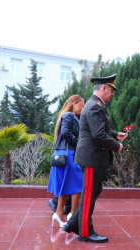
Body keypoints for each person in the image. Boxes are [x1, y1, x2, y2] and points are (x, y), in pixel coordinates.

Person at [62, 74, 128, 243]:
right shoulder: (94, 107)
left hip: (93, 156)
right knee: (89, 194)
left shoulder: (95, 105)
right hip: (92, 157)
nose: (113, 93)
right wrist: (116, 145)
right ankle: (85, 232)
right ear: (104, 88)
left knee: (93, 192)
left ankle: (72, 223)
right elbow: (98, 135)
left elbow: (98, 129)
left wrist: (115, 134)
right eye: (111, 89)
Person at [47, 94, 85, 227]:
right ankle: (72, 215)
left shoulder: (70, 116)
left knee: (66, 184)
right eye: (81, 105)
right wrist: (79, 143)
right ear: (74, 104)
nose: (82, 108)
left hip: (64, 153)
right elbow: (65, 133)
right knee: (77, 184)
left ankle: (59, 213)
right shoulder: (69, 115)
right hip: (68, 153)